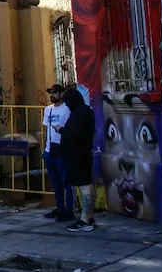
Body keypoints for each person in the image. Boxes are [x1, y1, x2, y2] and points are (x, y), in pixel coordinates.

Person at [58, 88, 97, 232]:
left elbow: (73, 135)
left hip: (78, 155)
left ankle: (85, 220)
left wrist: (60, 130)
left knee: (84, 185)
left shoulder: (79, 114)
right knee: (87, 184)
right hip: (83, 153)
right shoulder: (86, 111)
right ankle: (88, 217)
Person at [42, 84, 74, 221]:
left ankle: (68, 210)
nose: (52, 95)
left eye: (54, 93)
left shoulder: (67, 109)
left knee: (66, 182)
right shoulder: (47, 109)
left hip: (62, 150)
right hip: (50, 151)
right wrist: (45, 149)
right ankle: (59, 207)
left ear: (61, 94)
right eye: (50, 93)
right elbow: (46, 129)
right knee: (55, 183)